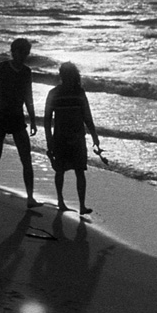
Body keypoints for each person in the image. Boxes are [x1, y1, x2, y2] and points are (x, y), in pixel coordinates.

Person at [0, 37, 41, 208]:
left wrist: (33, 119)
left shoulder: (26, 72)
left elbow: (28, 96)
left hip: (18, 118)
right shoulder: (1, 68)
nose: (24, 56)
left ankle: (30, 198)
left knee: (26, 158)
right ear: (13, 52)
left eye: (26, 53)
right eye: (21, 52)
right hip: (1, 116)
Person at [43, 61, 100, 215]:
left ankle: (74, 204)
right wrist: (94, 135)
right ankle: (68, 203)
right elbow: (87, 116)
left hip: (69, 137)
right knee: (70, 171)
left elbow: (86, 116)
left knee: (69, 171)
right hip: (68, 137)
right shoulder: (73, 92)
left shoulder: (60, 93)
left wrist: (94, 135)